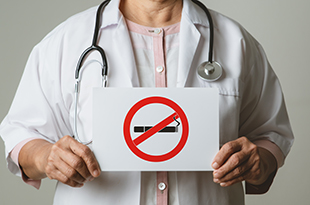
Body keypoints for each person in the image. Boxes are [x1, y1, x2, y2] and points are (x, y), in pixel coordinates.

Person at [0, 0, 294, 204]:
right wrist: (46, 157)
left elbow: (270, 134)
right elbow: (22, 134)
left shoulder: (236, 42)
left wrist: (260, 162)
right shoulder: (66, 41)